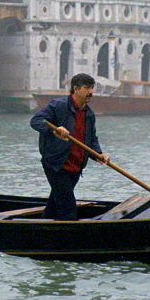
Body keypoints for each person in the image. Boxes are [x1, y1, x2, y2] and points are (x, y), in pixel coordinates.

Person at [30, 73, 111, 220]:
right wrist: (54, 130)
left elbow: (91, 139)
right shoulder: (58, 105)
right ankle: (67, 239)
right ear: (76, 89)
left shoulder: (89, 114)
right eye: (87, 88)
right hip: (56, 164)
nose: (91, 92)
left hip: (76, 166)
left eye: (92, 88)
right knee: (68, 208)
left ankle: (40, 230)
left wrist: (99, 154)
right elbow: (36, 120)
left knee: (55, 204)